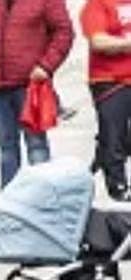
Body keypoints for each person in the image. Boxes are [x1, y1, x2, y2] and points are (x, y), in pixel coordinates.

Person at [0, 0, 73, 187]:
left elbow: (63, 32)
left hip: (31, 86)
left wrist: (46, 66)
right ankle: (10, 197)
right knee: (6, 147)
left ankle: (43, 196)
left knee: (37, 145)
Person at [81, 0, 131, 200]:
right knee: (114, 135)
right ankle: (118, 188)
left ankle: (103, 153)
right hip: (110, 80)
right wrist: (127, 44)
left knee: (117, 140)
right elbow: (98, 41)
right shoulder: (97, 5)